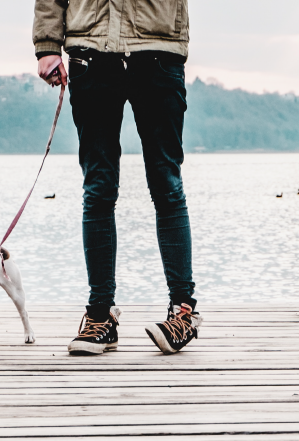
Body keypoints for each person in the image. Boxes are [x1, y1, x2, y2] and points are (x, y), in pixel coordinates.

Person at [33, 0, 202, 356]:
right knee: (98, 188)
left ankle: (183, 312)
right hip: (92, 51)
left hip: (159, 48)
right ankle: (100, 316)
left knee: (167, 185)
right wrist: (48, 46)